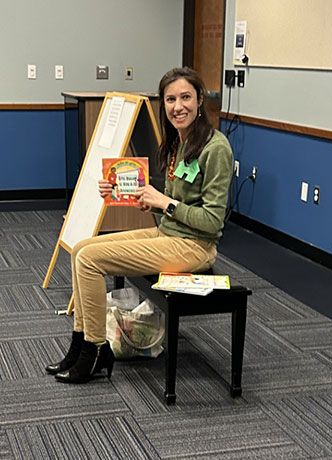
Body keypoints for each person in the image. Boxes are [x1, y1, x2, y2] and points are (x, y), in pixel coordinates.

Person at [45, 67, 234, 384]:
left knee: (90, 261)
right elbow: (172, 207)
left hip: (195, 248)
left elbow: (213, 222)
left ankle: (95, 349)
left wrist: (164, 203)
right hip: (169, 233)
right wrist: (139, 199)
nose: (178, 106)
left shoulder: (216, 149)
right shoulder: (178, 142)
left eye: (185, 97)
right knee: (80, 249)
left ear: (200, 100)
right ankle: (80, 342)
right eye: (171, 99)